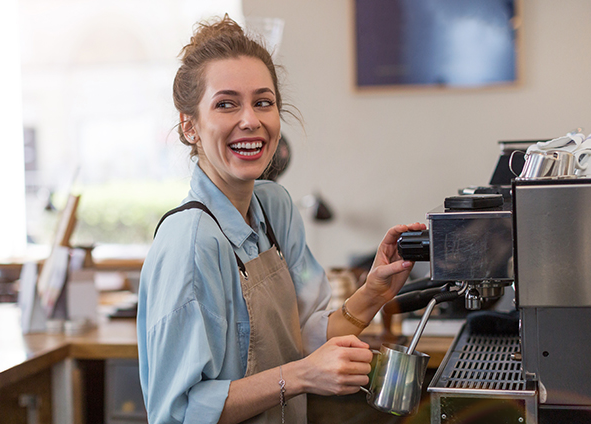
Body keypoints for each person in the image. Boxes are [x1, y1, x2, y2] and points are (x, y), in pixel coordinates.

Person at [137, 15, 426, 424]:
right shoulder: (190, 242)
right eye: (226, 104)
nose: (251, 120)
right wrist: (303, 376)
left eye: (263, 101)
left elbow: (305, 336)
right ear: (190, 127)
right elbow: (177, 412)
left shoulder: (275, 208)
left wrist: (374, 292)